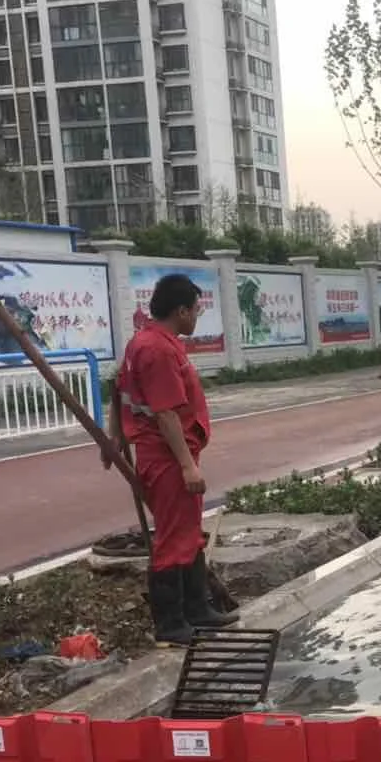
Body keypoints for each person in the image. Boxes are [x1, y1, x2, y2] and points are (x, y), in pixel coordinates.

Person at [106, 274, 236, 644]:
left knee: (188, 533)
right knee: (172, 538)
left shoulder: (148, 342)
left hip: (168, 451)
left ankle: (198, 609)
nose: (197, 316)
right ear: (181, 311)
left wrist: (114, 437)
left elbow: (118, 389)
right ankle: (171, 623)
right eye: (196, 310)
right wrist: (186, 465)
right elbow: (165, 413)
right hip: (165, 456)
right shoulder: (157, 351)